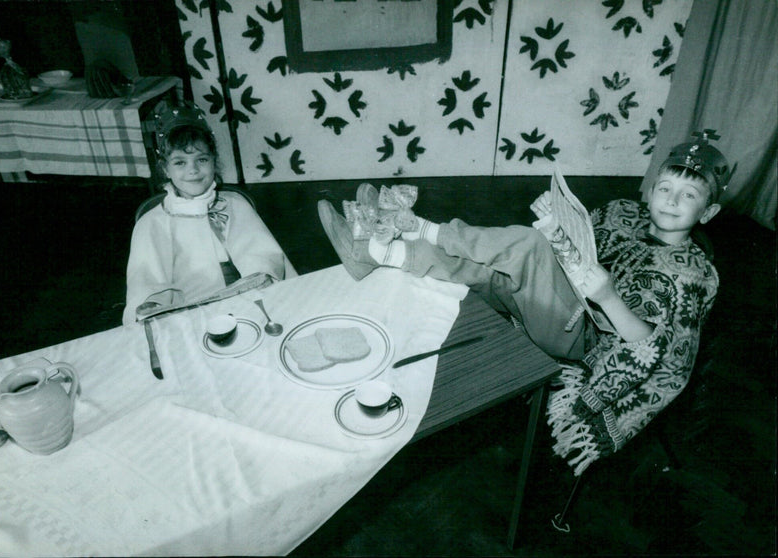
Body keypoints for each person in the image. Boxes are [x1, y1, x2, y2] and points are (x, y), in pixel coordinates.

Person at [317, 131, 731, 475]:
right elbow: (578, 252)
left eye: (689, 195)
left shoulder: (691, 274)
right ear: (651, 188)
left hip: (587, 342)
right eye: (665, 188)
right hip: (564, 305)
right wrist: (557, 225)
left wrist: (606, 296)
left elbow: (654, 349)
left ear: (708, 211)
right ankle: (379, 253)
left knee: (525, 247)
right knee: (491, 266)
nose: (672, 201)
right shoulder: (624, 212)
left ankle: (417, 228)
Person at [123, 100, 296, 325]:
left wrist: (260, 277)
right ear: (165, 169)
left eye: (201, 159)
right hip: (188, 318)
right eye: (180, 162)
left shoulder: (235, 204)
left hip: (250, 303)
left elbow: (263, 256)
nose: (193, 170)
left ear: (214, 161)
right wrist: (150, 305)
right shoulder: (151, 223)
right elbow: (145, 281)